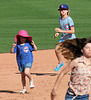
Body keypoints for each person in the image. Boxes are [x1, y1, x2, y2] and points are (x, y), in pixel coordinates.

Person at [54, 4, 76, 71]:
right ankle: (60, 62)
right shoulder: (60, 19)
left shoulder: (69, 19)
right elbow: (62, 26)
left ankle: (73, 68)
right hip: (63, 38)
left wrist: (60, 30)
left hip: (71, 39)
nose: (62, 11)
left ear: (67, 11)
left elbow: (73, 31)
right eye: (61, 10)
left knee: (70, 56)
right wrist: (58, 32)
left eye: (64, 10)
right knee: (57, 49)